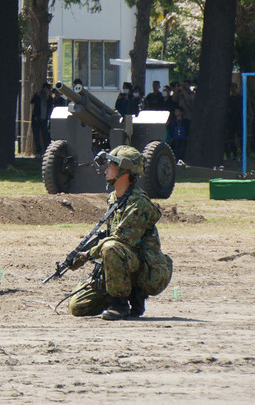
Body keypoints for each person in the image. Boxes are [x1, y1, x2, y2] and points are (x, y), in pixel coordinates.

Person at [66, 146, 173, 320]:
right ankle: (122, 292)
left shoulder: (139, 204)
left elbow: (120, 240)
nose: (106, 170)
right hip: (121, 265)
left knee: (111, 247)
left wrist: (85, 255)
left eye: (111, 166)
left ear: (124, 171)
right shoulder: (114, 199)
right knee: (77, 306)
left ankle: (121, 304)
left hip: (141, 268)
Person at [29, 82, 52, 155]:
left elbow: (51, 106)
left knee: (45, 136)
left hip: (44, 119)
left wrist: (48, 97)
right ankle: (38, 151)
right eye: (44, 89)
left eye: (47, 89)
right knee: (36, 136)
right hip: (36, 119)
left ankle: (46, 151)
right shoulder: (38, 96)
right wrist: (36, 95)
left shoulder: (49, 98)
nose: (45, 91)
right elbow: (31, 102)